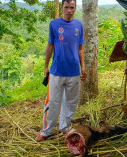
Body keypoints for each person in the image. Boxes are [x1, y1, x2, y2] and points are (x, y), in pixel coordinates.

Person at [35, 0, 87, 142]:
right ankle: (46, 131)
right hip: (56, 72)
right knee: (52, 102)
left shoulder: (78, 25)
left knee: (70, 102)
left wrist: (83, 67)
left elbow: (80, 49)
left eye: (72, 7)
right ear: (62, 7)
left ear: (75, 8)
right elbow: (50, 45)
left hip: (74, 72)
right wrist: (46, 66)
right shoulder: (54, 24)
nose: (69, 10)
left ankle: (64, 127)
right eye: (67, 7)